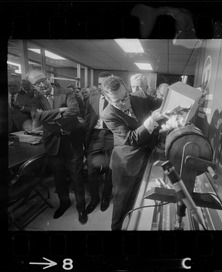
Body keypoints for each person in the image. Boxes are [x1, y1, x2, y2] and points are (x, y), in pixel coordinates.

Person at [100, 76, 166, 230]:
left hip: (146, 157)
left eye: (125, 97)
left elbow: (163, 103)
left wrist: (189, 98)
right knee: (121, 203)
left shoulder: (137, 98)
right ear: (108, 100)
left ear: (127, 90)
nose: (124, 103)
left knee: (136, 200)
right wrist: (152, 120)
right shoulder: (108, 114)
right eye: (118, 101)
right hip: (126, 163)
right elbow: (132, 138)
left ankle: (133, 225)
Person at [27, 69, 88, 224]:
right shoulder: (35, 101)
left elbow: (74, 110)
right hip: (53, 142)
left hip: (72, 141)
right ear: (33, 86)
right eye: (36, 83)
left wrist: (49, 117)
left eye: (42, 80)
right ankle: (64, 202)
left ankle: (81, 207)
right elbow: (36, 117)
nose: (41, 85)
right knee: (58, 176)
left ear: (47, 78)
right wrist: (60, 110)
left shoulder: (66, 91)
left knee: (76, 176)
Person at [84, 71, 114, 214]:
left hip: (111, 136)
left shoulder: (117, 98)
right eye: (100, 84)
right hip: (95, 136)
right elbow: (87, 120)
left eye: (105, 84)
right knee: (91, 170)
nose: (102, 87)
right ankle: (94, 198)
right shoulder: (92, 98)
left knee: (110, 169)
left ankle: (105, 198)